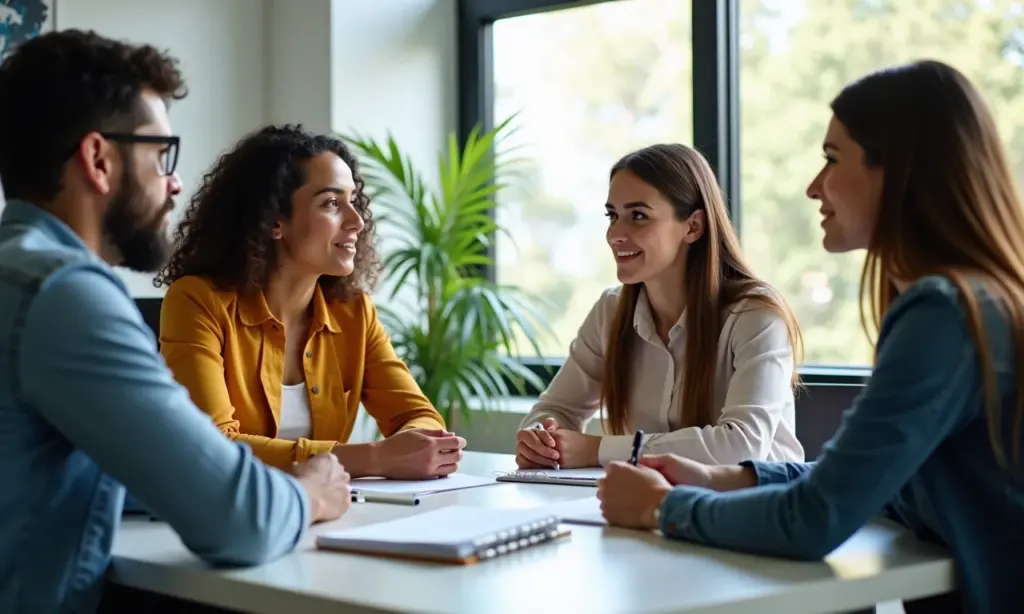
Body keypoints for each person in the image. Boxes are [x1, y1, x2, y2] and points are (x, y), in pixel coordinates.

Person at [596, 60, 1024, 614]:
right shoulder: (973, 302)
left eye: (831, 159)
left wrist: (664, 510)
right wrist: (730, 477)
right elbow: (884, 478)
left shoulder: (944, 316)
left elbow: (815, 519)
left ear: (895, 171)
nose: (813, 187)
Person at [0, 30, 351, 614]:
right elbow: (238, 521)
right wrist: (310, 492)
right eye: (162, 155)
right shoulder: (66, 295)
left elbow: (130, 470)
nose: (176, 182)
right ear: (98, 158)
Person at [154, 124, 466, 478]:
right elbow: (212, 448)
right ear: (274, 219)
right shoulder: (197, 301)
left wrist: (417, 444)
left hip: (331, 516)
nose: (357, 221)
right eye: (332, 203)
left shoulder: (354, 312)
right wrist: (376, 458)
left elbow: (416, 414)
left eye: (354, 201)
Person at [515, 143, 805, 469]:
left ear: (693, 226)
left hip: (749, 512)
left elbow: (740, 445)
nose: (615, 235)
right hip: (642, 505)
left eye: (638, 216)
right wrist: (541, 437)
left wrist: (598, 449)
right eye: (613, 216)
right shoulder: (610, 311)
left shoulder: (755, 315)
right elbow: (557, 409)